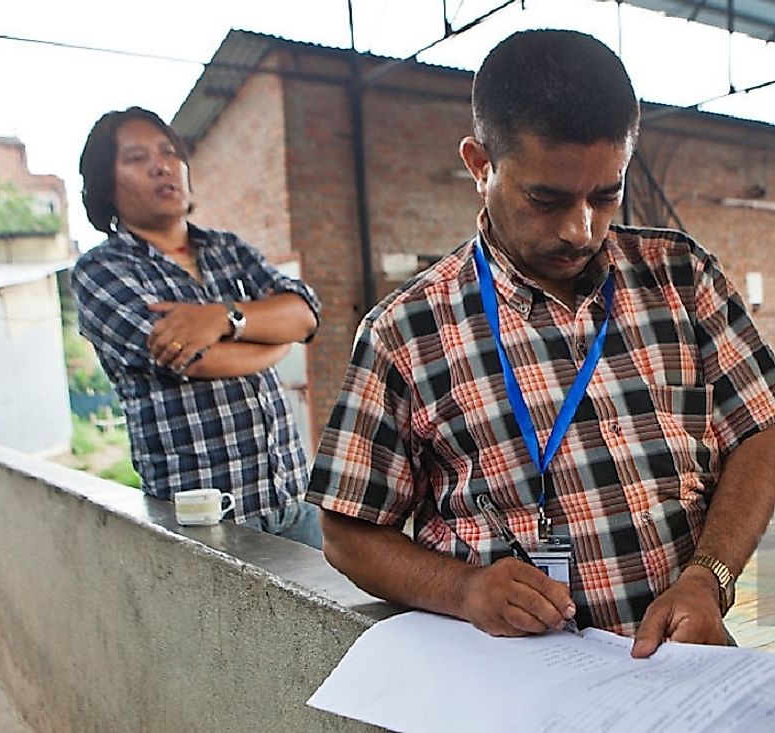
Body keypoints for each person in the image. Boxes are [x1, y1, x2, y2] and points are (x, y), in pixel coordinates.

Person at [306, 29, 775, 656]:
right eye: (546, 199)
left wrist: (707, 578)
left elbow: (762, 431)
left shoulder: (681, 275)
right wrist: (464, 589)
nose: (580, 230)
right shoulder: (406, 331)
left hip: (679, 670)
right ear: (480, 165)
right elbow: (345, 531)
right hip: (515, 686)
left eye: (606, 194)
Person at [71, 106, 322, 548]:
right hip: (206, 527)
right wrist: (273, 338)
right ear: (106, 186)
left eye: (169, 152)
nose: (161, 166)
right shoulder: (101, 271)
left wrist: (221, 317)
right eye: (135, 158)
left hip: (293, 502)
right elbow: (197, 358)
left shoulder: (227, 248)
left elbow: (304, 314)